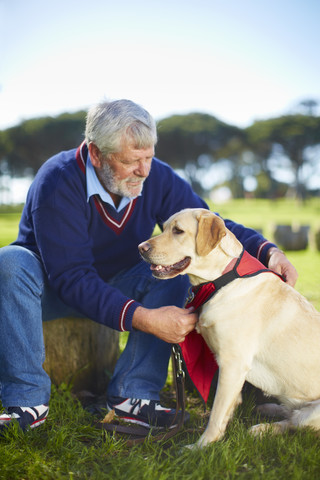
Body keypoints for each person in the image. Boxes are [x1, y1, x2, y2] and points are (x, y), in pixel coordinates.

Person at [0, 99, 298, 432]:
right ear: (96, 154)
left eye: (149, 158)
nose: (144, 171)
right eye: (131, 161)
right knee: (10, 262)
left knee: (177, 267)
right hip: (49, 288)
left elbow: (208, 223)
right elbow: (72, 277)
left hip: (120, 281)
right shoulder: (57, 181)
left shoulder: (157, 177)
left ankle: (134, 397)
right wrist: (146, 319)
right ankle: (27, 404)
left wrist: (269, 251)